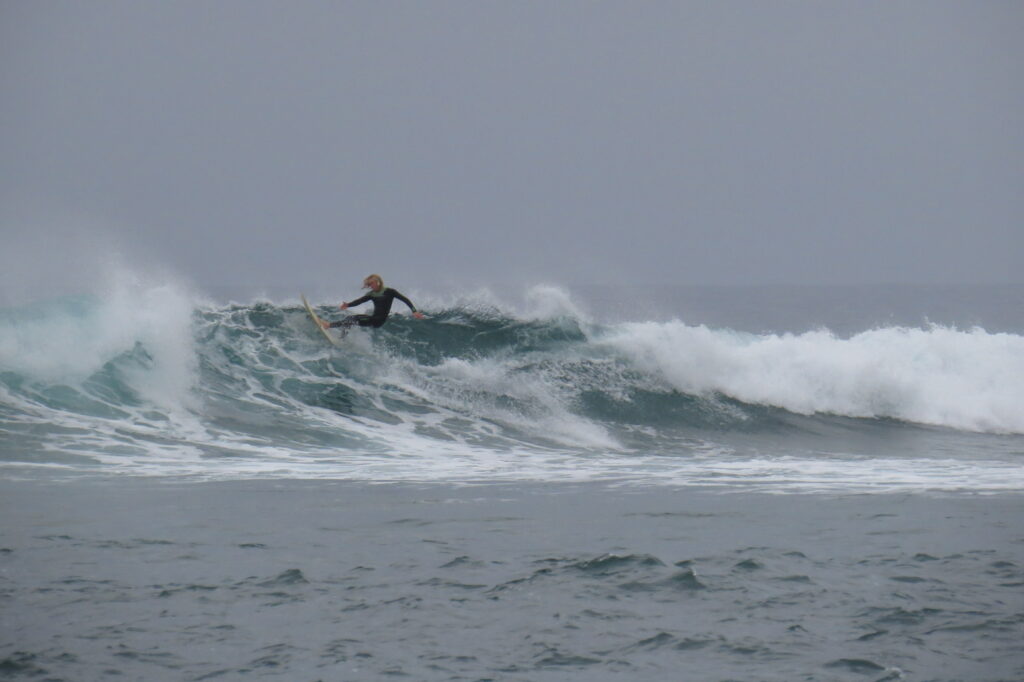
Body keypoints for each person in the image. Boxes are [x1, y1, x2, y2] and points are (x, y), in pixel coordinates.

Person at [320, 274, 425, 332]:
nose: (370, 286)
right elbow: (359, 301)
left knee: (353, 319)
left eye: (371, 284)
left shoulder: (390, 291)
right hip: (373, 318)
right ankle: (342, 337)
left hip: (378, 321)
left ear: (378, 282)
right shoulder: (372, 294)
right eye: (369, 285)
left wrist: (414, 311)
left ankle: (328, 325)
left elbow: (405, 299)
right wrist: (348, 305)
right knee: (349, 319)